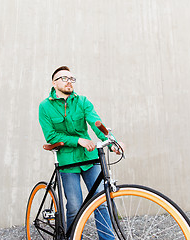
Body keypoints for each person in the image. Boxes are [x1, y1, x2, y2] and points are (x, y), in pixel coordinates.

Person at [38, 66, 123, 240]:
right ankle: (72, 237)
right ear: (54, 83)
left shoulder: (83, 101)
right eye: (64, 78)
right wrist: (78, 140)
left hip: (89, 158)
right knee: (75, 206)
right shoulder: (45, 106)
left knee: (101, 201)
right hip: (67, 160)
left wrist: (112, 142)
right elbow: (51, 135)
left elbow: (96, 123)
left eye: (71, 78)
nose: (69, 81)